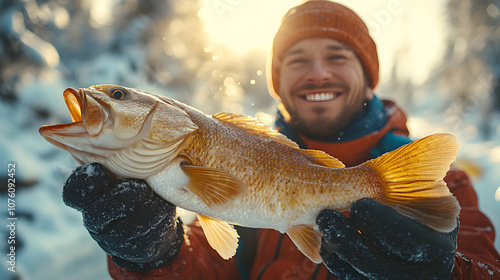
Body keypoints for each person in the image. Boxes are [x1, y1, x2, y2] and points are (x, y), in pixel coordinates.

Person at [62, 1, 500, 279]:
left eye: (337, 56)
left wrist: (448, 274)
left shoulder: (446, 182)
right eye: (297, 60)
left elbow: (486, 267)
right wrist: (154, 256)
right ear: (278, 81)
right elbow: (210, 262)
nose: (316, 73)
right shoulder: (226, 151)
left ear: (368, 77)